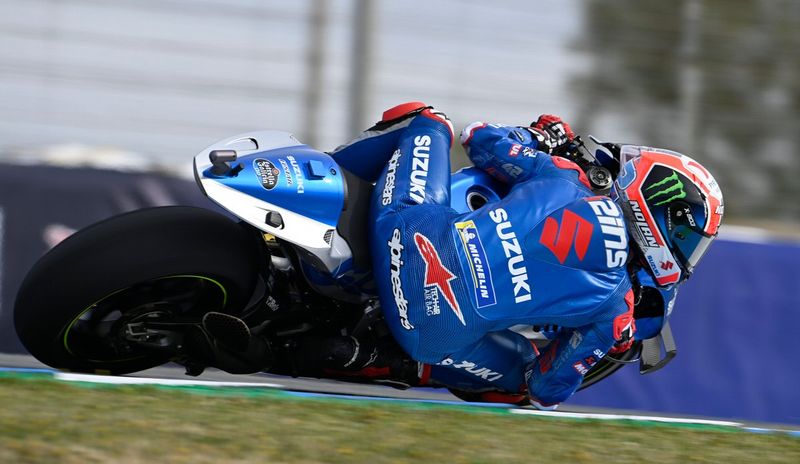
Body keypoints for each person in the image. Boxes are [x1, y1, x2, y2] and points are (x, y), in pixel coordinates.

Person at [191, 101, 724, 410]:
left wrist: (541, 138)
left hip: (409, 234)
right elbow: (548, 387)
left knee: (429, 119)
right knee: (521, 384)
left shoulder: (566, 177)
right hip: (433, 330)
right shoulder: (618, 311)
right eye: (689, 238)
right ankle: (356, 358)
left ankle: (331, 185)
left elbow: (482, 139)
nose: (684, 250)